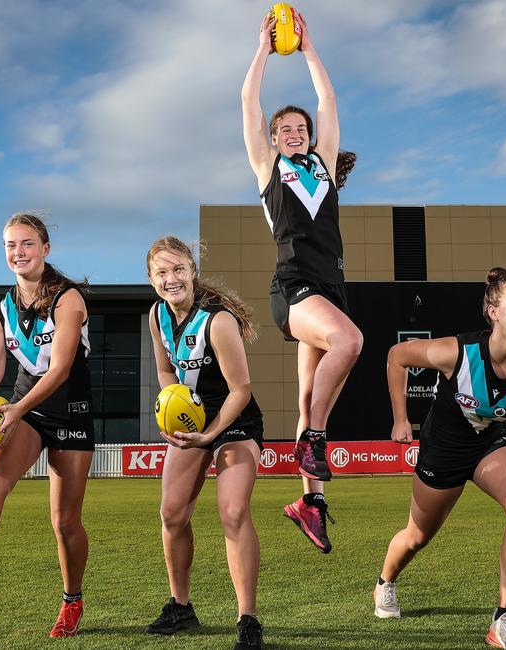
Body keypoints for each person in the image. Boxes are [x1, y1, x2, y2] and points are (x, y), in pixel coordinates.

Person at [374, 267, 506, 650]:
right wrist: (401, 418)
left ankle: (504, 622)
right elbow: (397, 355)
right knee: (417, 536)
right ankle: (385, 582)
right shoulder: (458, 352)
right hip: (443, 450)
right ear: (493, 312)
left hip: (491, 446)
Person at [0, 213, 94, 638]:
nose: (18, 252)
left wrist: (15, 408)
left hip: (71, 411)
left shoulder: (69, 299)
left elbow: (60, 369)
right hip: (25, 412)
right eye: (10, 245)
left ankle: (72, 600)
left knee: (65, 522)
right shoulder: (0, 312)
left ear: (45, 249)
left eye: (26, 244)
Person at [241, 11, 362, 554]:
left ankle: (308, 503)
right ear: (273, 138)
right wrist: (263, 51)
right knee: (350, 340)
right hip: (292, 289)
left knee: (310, 396)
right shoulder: (270, 170)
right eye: (285, 129)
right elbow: (248, 105)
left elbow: (329, 103)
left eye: (301, 128)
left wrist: (310, 49)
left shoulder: (324, 166)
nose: (295, 132)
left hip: (328, 290)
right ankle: (314, 441)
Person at [145, 237, 264, 650]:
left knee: (232, 512)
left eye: (178, 269)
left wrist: (210, 433)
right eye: (161, 272)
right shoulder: (157, 315)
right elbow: (164, 371)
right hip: (191, 420)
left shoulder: (218, 320)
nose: (170, 279)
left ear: (192, 271)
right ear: (152, 279)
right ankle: (181, 609)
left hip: (233, 420)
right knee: (172, 514)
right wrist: (170, 406)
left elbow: (241, 390)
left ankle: (247, 620)